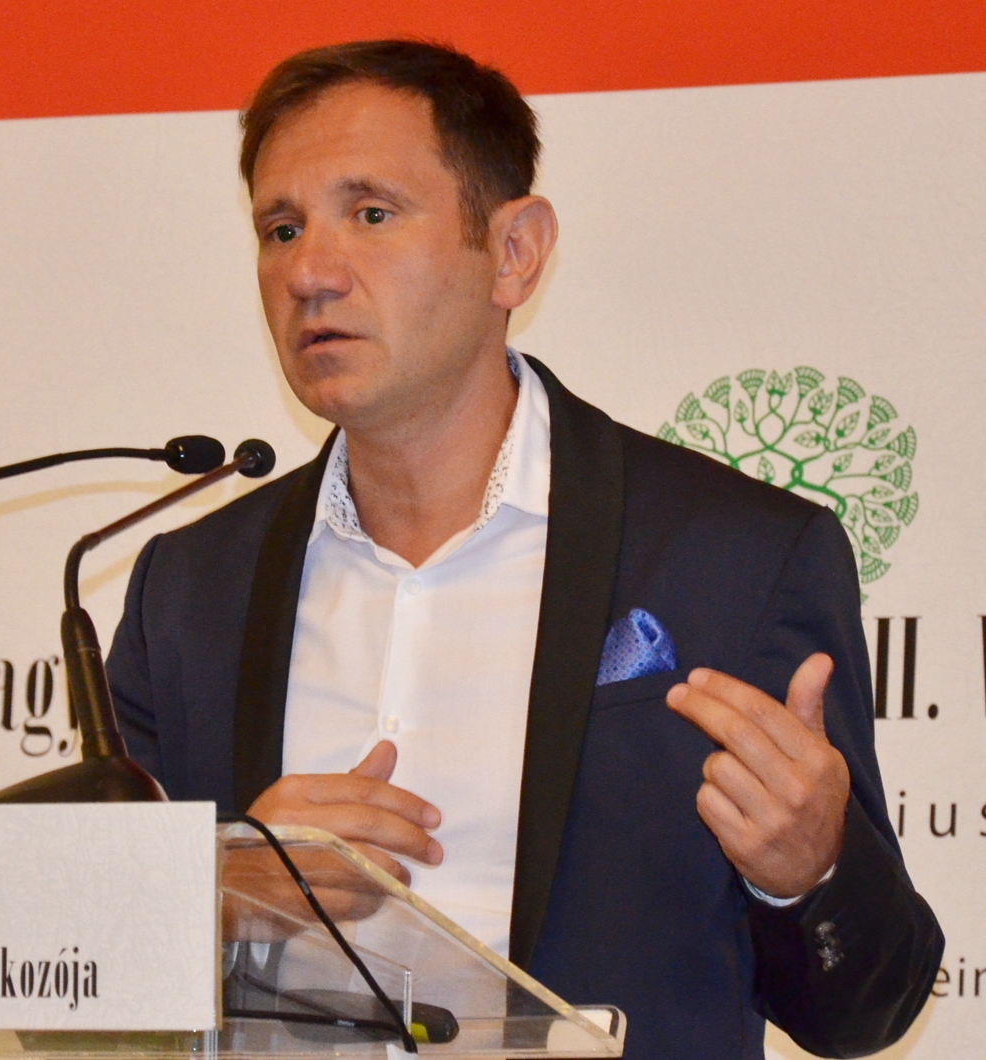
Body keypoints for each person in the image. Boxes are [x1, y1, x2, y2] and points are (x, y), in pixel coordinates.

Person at [105, 40, 942, 1060]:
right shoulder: (190, 592)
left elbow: (866, 1011)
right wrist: (218, 896)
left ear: (514, 252)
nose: (310, 273)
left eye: (371, 214)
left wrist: (808, 870)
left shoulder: (737, 561)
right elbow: (74, 987)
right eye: (281, 230)